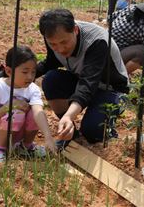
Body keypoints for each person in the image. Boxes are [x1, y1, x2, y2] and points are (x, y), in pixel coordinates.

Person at [36, 9, 129, 146]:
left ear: (75, 30)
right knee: (51, 80)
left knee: (93, 132)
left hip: (110, 88)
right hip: (82, 81)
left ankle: (107, 130)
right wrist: (19, 75)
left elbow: (88, 83)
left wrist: (69, 115)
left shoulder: (97, 41)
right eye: (53, 44)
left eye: (64, 42)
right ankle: (70, 130)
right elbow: (52, 61)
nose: (60, 49)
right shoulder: (52, 36)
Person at [0, 45, 56, 163]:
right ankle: (0, 148)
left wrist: (48, 137)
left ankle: (25, 146)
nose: (30, 77)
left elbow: (38, 112)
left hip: (18, 132)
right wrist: (9, 106)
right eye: (25, 72)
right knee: (14, 111)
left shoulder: (33, 89)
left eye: (33, 72)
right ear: (9, 71)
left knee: (34, 113)